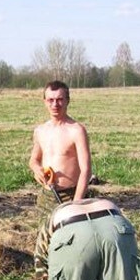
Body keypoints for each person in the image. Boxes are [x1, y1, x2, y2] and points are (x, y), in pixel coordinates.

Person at [29, 80, 92, 213]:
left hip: (70, 196)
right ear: (44, 101)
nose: (55, 104)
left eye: (59, 99)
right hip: (46, 197)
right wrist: (37, 169)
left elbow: (86, 171)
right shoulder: (40, 130)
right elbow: (34, 160)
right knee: (45, 233)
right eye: (50, 100)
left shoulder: (77, 130)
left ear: (68, 101)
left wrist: (76, 204)